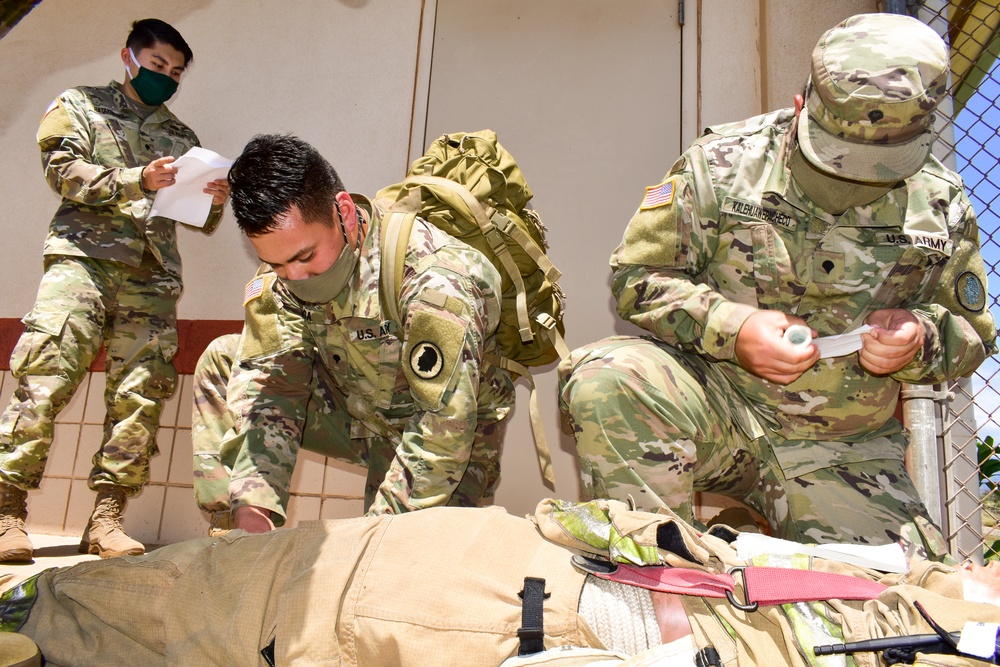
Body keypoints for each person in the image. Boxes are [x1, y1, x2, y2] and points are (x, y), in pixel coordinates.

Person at [558, 13, 997, 561]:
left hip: (844, 449)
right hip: (717, 407)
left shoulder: (941, 203)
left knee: (893, 612)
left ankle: (762, 537)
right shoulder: (721, 165)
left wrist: (918, 337)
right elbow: (637, 278)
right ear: (802, 104)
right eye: (838, 152)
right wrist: (733, 328)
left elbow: (972, 330)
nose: (856, 178)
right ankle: (657, 583)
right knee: (609, 379)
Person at [1, 497, 1000, 666]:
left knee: (243, 606)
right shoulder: (933, 588)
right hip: (524, 580)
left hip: (518, 607)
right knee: (245, 590)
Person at [190, 133, 514, 534]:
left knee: (391, 570)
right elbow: (273, 392)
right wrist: (252, 509)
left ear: (343, 212)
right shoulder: (283, 284)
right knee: (225, 359)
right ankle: (233, 536)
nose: (295, 277)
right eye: (275, 264)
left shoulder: (436, 277)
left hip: (447, 435)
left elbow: (442, 428)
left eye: (305, 257)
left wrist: (367, 539)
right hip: (359, 415)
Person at [0, 18, 230, 562]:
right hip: (83, 262)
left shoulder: (182, 138)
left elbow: (197, 220)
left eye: (175, 73)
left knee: (140, 394)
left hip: (150, 277)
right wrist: (135, 179)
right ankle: (6, 513)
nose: (166, 79)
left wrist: (214, 199)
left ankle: (105, 519)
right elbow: (62, 171)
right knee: (45, 376)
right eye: (157, 66)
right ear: (128, 58)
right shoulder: (78, 104)